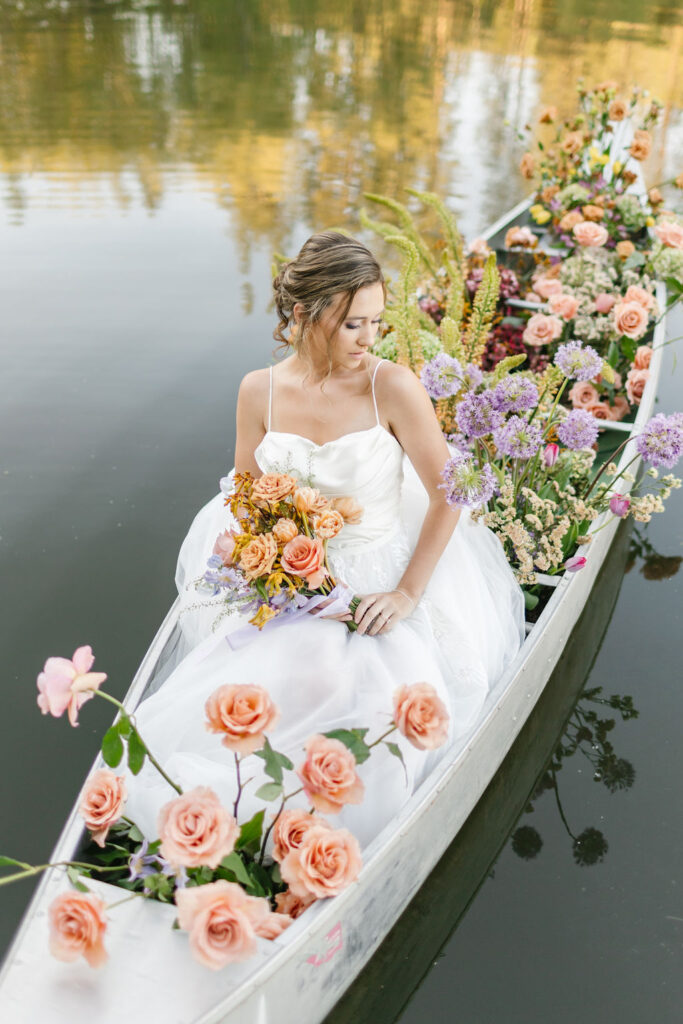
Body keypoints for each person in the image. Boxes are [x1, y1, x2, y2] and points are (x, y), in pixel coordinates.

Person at [124, 231, 525, 849]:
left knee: (372, 694)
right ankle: (240, 824)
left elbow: (450, 492)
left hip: (383, 568)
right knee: (261, 690)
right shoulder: (258, 390)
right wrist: (278, 569)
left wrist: (407, 593)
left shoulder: (390, 386)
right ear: (305, 316)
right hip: (296, 577)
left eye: (377, 322)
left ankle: (335, 835)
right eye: (353, 325)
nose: (371, 339)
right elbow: (249, 495)